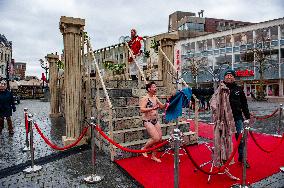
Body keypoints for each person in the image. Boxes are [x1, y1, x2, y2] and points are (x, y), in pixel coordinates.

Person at [218, 70, 251, 167]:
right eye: (227, 75)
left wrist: (247, 117)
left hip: (237, 118)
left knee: (240, 139)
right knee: (223, 139)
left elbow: (244, 104)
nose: (228, 77)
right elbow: (206, 92)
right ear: (224, 78)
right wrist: (191, 90)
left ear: (234, 78)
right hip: (224, 119)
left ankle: (242, 158)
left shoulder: (239, 89)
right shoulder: (220, 88)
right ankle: (223, 158)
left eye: (230, 75)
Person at [140, 81, 165, 162]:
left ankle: (153, 156)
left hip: (155, 120)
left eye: (155, 87)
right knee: (156, 138)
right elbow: (142, 109)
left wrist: (169, 102)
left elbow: (161, 106)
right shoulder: (145, 98)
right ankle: (144, 148)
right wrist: (152, 108)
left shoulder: (155, 97)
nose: (155, 88)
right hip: (147, 121)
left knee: (159, 139)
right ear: (149, 89)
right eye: (153, 87)